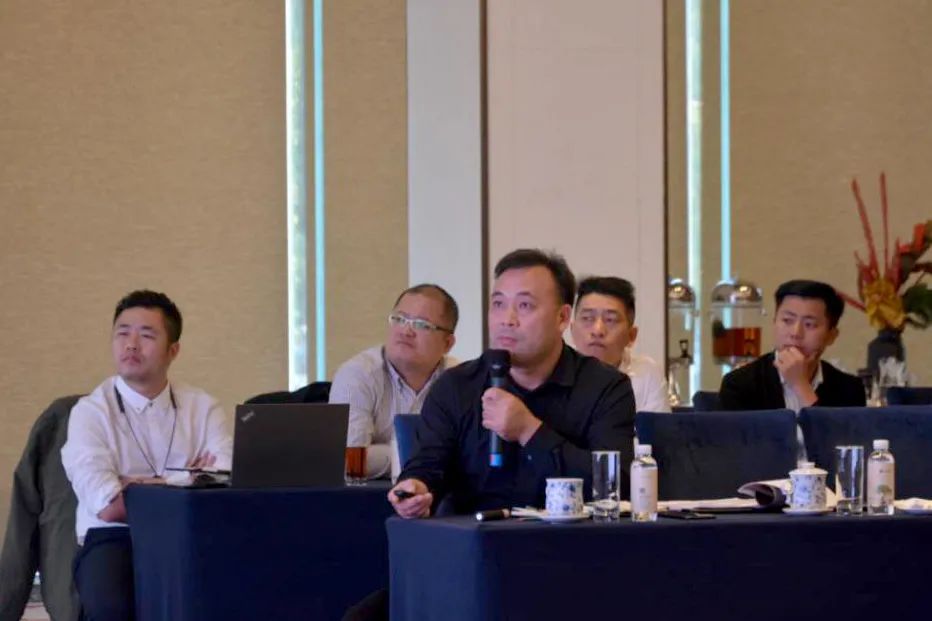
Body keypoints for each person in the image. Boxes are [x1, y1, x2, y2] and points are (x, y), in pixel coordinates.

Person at [388, 249, 635, 518]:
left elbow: (614, 488)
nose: (507, 319)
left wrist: (529, 431)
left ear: (562, 318)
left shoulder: (606, 388)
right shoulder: (457, 385)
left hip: (567, 539)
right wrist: (415, 487)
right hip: (477, 536)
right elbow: (428, 465)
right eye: (498, 304)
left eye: (525, 306)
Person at [61, 290, 232, 621]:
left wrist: (136, 485)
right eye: (122, 333)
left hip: (188, 536)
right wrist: (187, 479)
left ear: (173, 351)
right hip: (114, 537)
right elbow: (109, 507)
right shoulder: (89, 413)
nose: (131, 345)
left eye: (147, 335)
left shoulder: (203, 407)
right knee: (111, 606)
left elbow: (224, 483)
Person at [329, 284, 458, 480]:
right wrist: (422, 456)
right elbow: (350, 462)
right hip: (371, 495)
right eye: (399, 319)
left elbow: (473, 458)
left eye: (421, 324)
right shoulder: (358, 375)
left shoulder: (460, 380)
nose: (406, 331)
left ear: (447, 343)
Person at [719, 279, 866, 411]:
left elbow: (834, 433)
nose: (796, 333)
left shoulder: (850, 389)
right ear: (774, 322)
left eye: (809, 324)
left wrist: (801, 385)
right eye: (787, 320)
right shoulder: (739, 385)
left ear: (831, 336)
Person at [570, 276, 670, 413]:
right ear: (572, 330)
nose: (597, 330)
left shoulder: (647, 374)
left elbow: (656, 427)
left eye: (610, 320)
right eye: (587, 318)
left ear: (631, 336)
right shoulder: (552, 371)